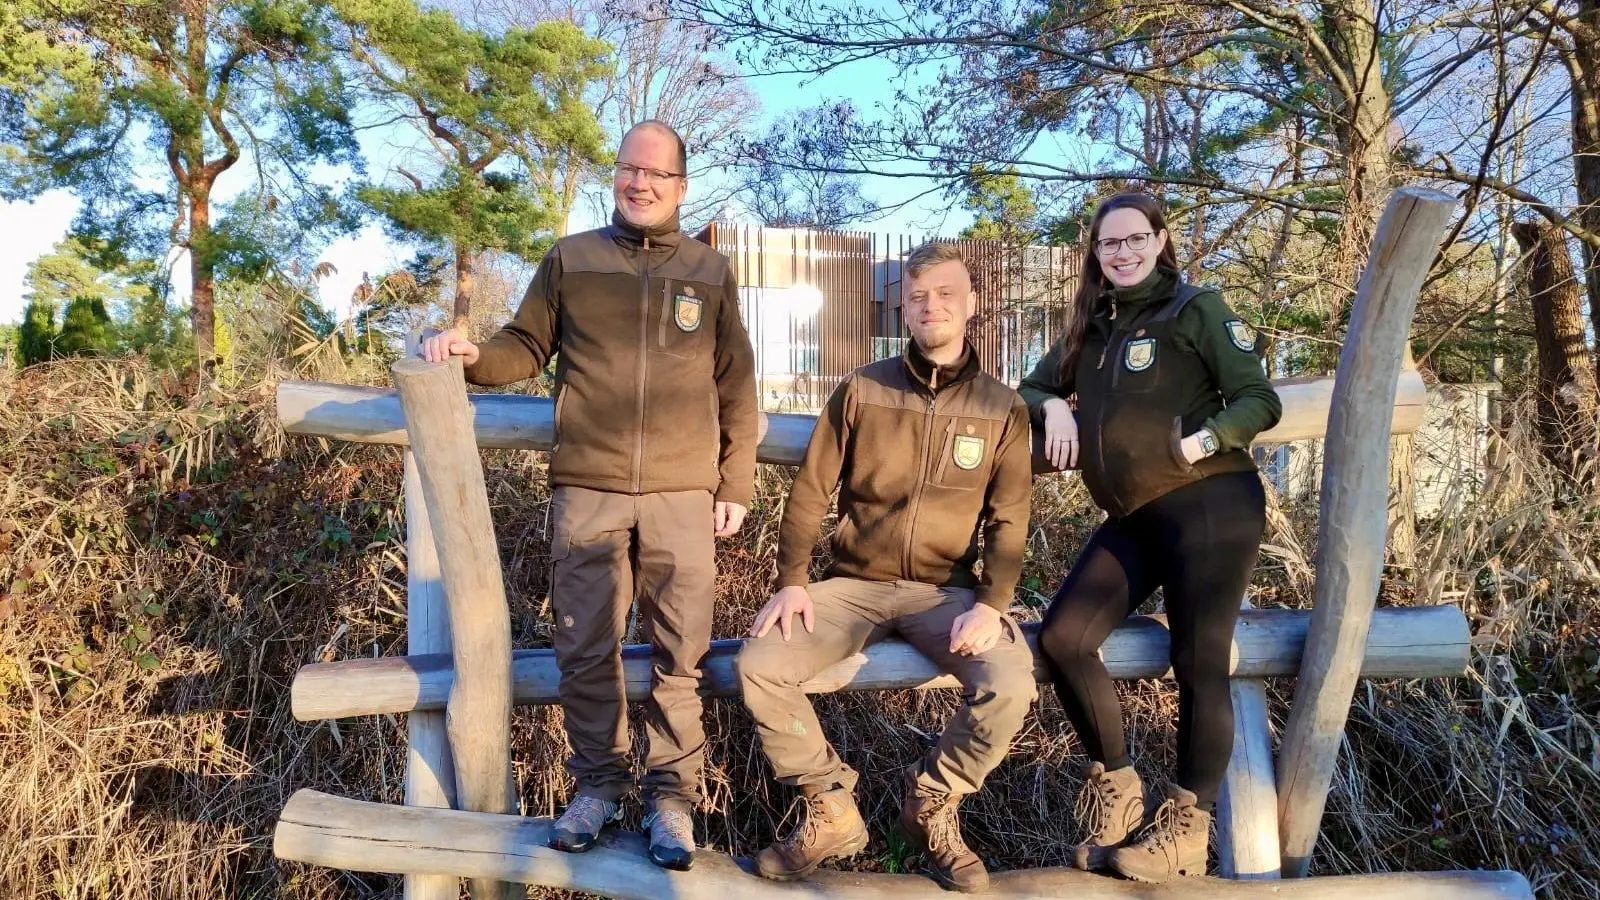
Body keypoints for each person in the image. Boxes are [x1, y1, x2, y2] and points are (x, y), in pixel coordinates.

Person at [421, 120, 757, 871]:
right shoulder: (571, 259)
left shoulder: (710, 270)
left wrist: (734, 481)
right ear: (618, 176)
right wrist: (474, 356)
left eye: (656, 174)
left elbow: (737, 385)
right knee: (584, 646)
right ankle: (598, 786)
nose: (639, 183)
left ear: (680, 186)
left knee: (682, 653)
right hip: (588, 487)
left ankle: (670, 799)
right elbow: (525, 345)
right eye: (628, 169)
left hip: (683, 494)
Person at [736, 242, 1037, 893]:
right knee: (760, 663)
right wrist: (791, 581)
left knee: (1011, 681)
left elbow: (1009, 516)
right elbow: (811, 490)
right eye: (919, 294)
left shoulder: (1001, 408)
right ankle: (830, 806)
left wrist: (993, 602)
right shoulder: (863, 388)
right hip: (853, 588)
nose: (932, 306)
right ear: (903, 305)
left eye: (947, 294)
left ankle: (932, 806)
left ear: (972, 304)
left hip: (946, 595)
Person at [1018, 192, 1281, 883]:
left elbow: (1260, 398)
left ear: (1161, 241)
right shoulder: (1093, 326)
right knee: (1063, 638)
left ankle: (1187, 828)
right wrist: (1053, 408)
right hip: (1133, 517)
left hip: (1210, 505)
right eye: (1109, 244)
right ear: (1096, 254)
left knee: (1198, 656)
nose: (1123, 252)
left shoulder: (1196, 309)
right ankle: (1117, 781)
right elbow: (1028, 387)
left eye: (1136, 239)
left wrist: (1202, 443)